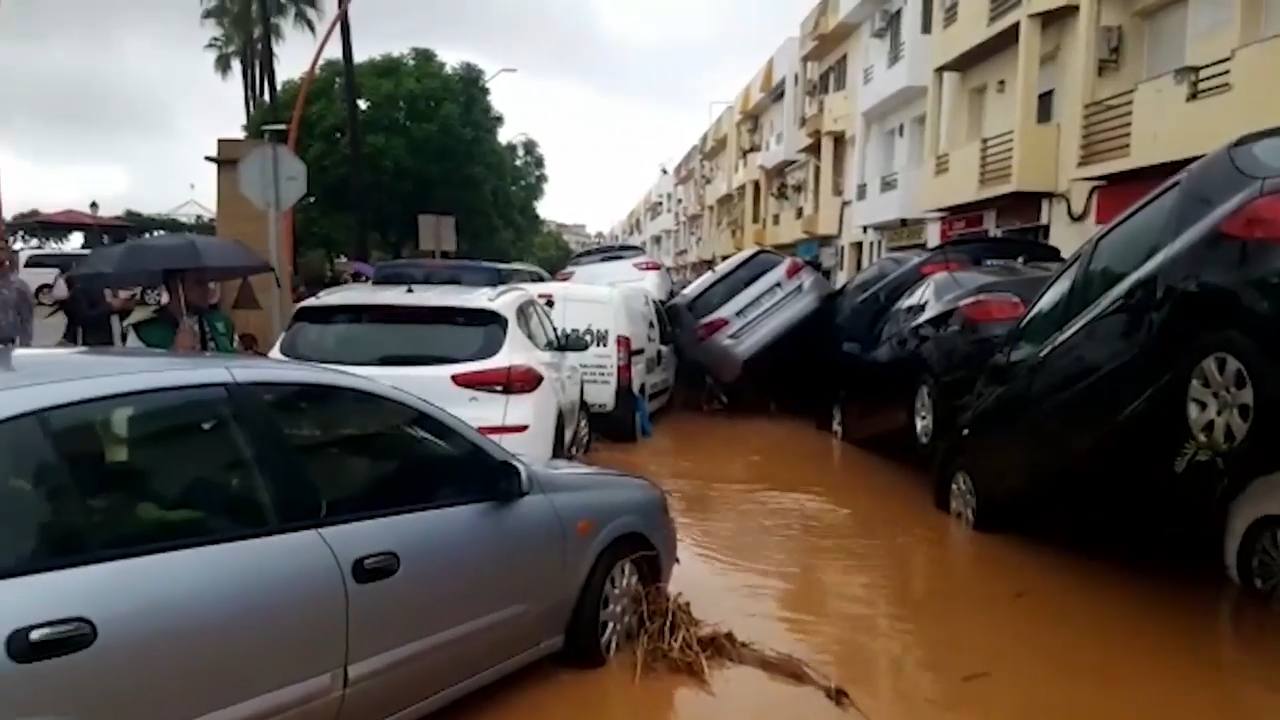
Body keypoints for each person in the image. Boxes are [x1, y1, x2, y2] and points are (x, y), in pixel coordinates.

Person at [126, 273, 236, 352]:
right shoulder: (145, 331)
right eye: (199, 283)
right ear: (176, 286)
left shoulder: (221, 322)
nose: (207, 289)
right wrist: (177, 352)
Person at [59, 273, 135, 347]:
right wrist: (110, 307)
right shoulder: (81, 284)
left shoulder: (121, 279)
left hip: (121, 342)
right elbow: (79, 316)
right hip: (90, 345)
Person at [0, 242, 34, 347]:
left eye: (1, 249)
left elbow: (26, 321)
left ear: (7, 254)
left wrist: (25, 348)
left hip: (5, 346)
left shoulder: (19, 286)